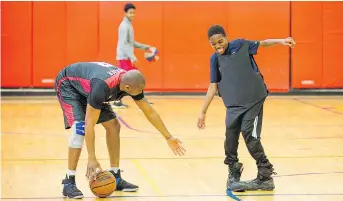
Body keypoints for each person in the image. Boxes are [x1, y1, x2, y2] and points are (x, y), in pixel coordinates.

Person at [55, 61, 186, 199]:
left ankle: (115, 176)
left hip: (90, 87)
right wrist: (92, 157)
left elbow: (149, 111)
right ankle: (68, 182)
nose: (140, 94)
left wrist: (168, 137)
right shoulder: (102, 87)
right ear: (127, 87)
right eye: (139, 91)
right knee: (80, 128)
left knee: (113, 125)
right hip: (69, 85)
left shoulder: (128, 82)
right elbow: (89, 124)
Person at [197, 25, 295, 192]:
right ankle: (233, 173)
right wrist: (203, 111)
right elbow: (213, 86)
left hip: (253, 99)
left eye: (221, 41)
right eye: (213, 44)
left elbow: (263, 43)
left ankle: (265, 176)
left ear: (227, 37)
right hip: (233, 104)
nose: (218, 46)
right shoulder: (215, 59)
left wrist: (281, 41)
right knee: (230, 136)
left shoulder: (242, 45)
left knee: (250, 134)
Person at [114, 3, 154, 108]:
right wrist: (132, 56)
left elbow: (131, 42)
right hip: (125, 57)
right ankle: (117, 101)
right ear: (125, 13)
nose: (132, 14)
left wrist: (145, 47)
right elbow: (123, 44)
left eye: (133, 12)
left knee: (129, 79)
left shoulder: (128, 25)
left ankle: (117, 101)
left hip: (127, 57)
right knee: (133, 79)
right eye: (130, 12)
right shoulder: (124, 26)